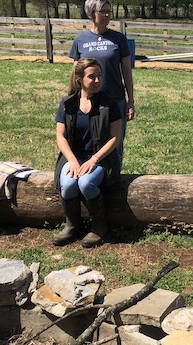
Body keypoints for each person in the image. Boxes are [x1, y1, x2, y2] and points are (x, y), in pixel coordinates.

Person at [53, 58, 122, 248]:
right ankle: (73, 225)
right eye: (92, 77)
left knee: (86, 183)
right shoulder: (68, 103)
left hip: (101, 159)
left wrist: (94, 159)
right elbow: (60, 136)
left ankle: (99, 226)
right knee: (67, 184)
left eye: (100, 76)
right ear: (79, 79)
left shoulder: (110, 104)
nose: (98, 81)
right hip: (74, 158)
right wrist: (73, 161)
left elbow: (115, 138)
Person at [69, 0, 134, 168]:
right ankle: (90, 178)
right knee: (89, 144)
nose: (107, 15)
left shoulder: (119, 39)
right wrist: (75, 100)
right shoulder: (80, 40)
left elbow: (126, 72)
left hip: (114, 99)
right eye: (102, 11)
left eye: (108, 11)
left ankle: (115, 180)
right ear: (92, 13)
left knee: (116, 144)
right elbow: (76, 74)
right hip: (89, 102)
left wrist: (130, 101)